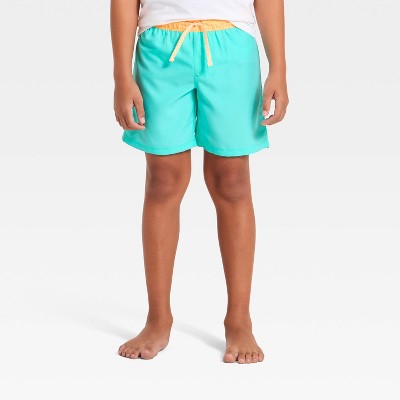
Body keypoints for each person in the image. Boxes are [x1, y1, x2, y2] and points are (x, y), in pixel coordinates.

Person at [110, 0, 289, 364]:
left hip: (232, 46)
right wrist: (121, 77)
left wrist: (279, 68)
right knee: (162, 180)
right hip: (160, 49)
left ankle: (239, 320)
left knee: (232, 181)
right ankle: (158, 318)